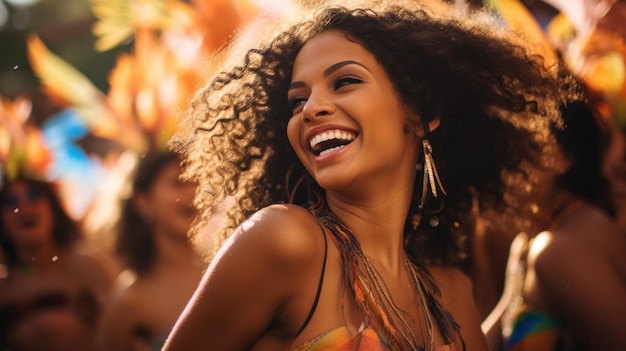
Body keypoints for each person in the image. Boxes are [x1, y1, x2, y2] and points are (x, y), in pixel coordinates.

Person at [162, 1, 569, 350]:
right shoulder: (285, 241)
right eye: (297, 100)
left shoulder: (453, 296)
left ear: (421, 114)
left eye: (345, 82)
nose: (311, 109)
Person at [482, 98, 626, 351]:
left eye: (516, 143)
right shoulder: (530, 242)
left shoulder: (559, 249)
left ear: (562, 157)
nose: (501, 160)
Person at [99, 151, 203, 351]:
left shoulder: (223, 265)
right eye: (178, 183)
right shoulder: (130, 298)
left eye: (195, 180)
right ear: (143, 201)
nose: (192, 192)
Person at [0, 175, 117, 351]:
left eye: (33, 196)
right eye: (10, 201)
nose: (23, 207)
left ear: (53, 211)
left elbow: (124, 325)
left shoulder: (86, 266)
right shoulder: (4, 288)